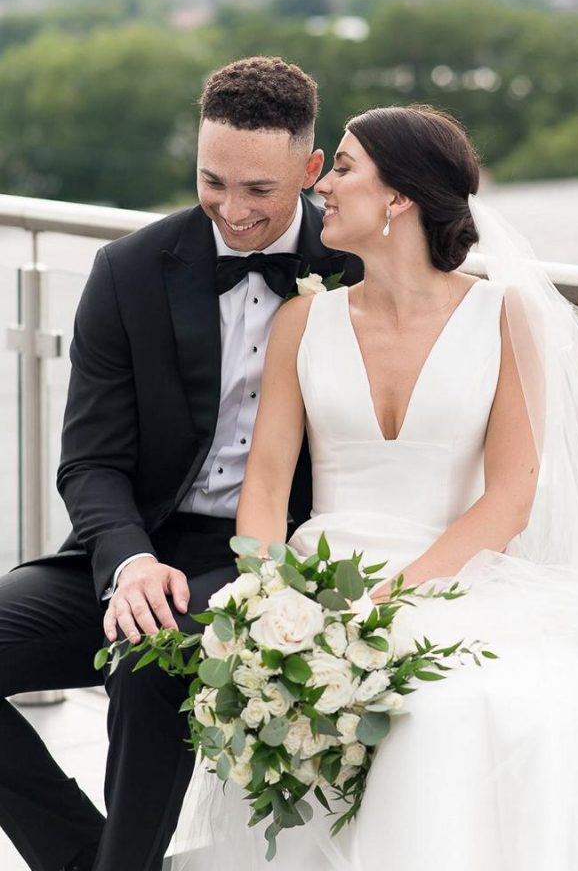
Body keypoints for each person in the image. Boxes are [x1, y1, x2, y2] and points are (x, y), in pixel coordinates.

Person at [181, 103, 578, 869]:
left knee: (478, 709)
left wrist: (388, 603)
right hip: (318, 578)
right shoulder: (300, 321)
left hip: (454, 580)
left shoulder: (502, 315)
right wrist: (270, 594)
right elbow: (266, 484)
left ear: (399, 197)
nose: (325, 186)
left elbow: (510, 498)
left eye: (343, 167)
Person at [0, 56, 362, 871]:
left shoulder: (360, 275)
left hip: (282, 551)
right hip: (146, 540)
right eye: (211, 181)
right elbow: (89, 460)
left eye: (259, 192)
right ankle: (86, 857)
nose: (231, 211)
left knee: (146, 660)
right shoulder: (129, 269)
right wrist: (128, 561)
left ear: (309, 171)